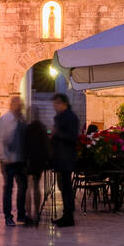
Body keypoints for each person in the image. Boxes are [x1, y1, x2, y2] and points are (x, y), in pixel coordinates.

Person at [0, 95, 28, 226]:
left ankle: (21, 214)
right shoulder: (5, 120)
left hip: (20, 159)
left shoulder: (22, 119)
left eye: (21, 105)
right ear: (12, 105)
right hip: (8, 160)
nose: (20, 107)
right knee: (8, 188)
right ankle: (8, 217)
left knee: (23, 187)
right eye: (18, 105)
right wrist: (3, 156)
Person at [50, 92, 80, 226]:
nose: (54, 106)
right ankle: (66, 214)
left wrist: (57, 134)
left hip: (66, 158)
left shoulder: (70, 117)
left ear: (64, 103)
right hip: (61, 158)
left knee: (66, 187)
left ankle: (69, 216)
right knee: (63, 187)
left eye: (57, 103)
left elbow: (72, 137)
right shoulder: (60, 117)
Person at [22, 115, 51, 225]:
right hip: (38, 161)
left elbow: (23, 146)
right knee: (37, 186)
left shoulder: (27, 128)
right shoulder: (42, 128)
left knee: (29, 187)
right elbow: (46, 146)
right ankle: (37, 213)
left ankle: (29, 215)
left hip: (29, 160)